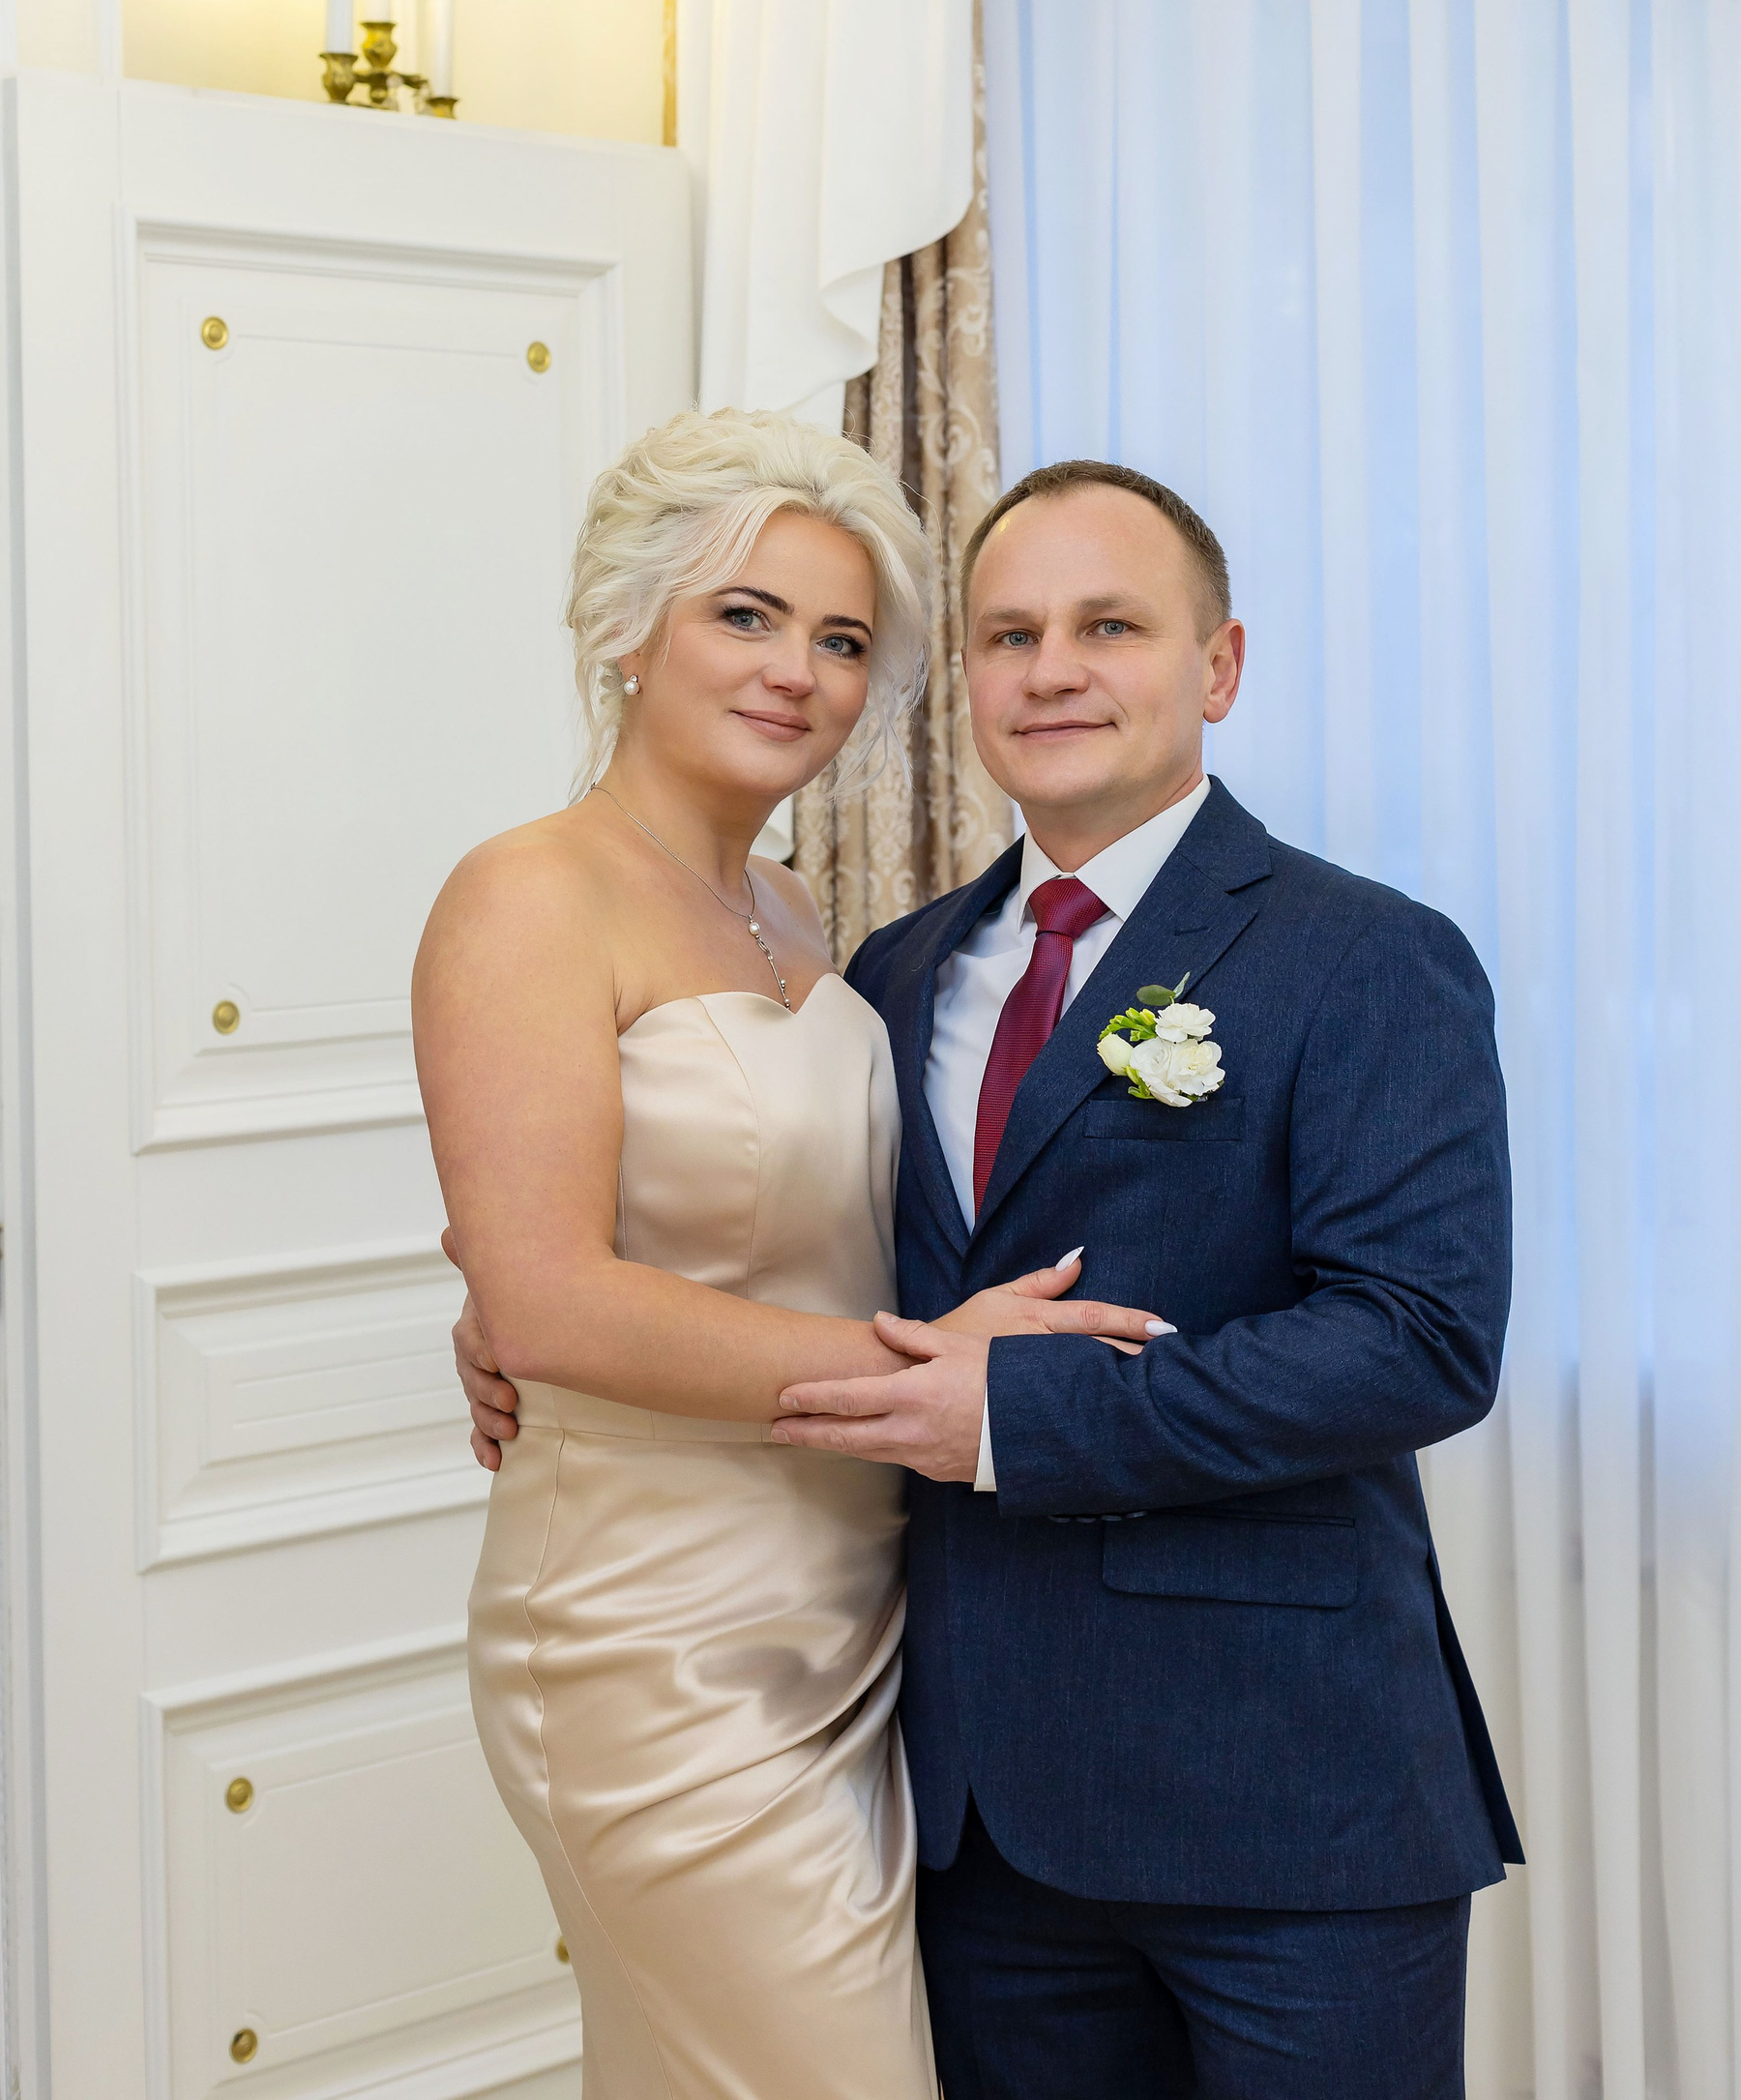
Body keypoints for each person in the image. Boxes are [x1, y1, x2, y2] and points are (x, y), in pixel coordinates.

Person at [457, 455, 1521, 2100]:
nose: (1054, 670)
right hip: (964, 1804)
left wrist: (1017, 1410)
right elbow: (767, 1211)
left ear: (1219, 666)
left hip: (1284, 1791)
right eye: (1011, 634)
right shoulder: (893, 966)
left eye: (1111, 626)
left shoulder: (1368, 954)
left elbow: (1420, 1339)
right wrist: (513, 1287)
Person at [414, 412, 1163, 2100]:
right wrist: (934, 1375)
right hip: (649, 1632)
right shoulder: (527, 894)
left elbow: (750, 1226)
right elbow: (548, 1297)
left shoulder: (799, 916)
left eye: (838, 640)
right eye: (744, 616)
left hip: (851, 1611)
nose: (797, 673)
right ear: (630, 627)